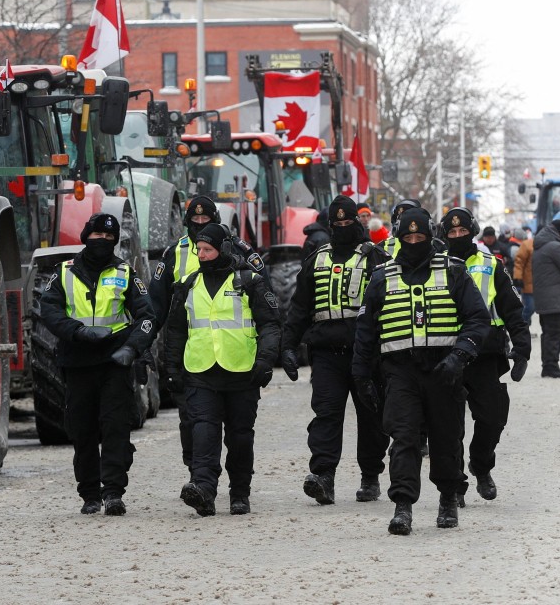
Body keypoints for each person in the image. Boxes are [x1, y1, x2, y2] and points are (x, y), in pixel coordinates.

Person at [352, 207, 491, 535]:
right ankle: (403, 505)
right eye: (408, 237)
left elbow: (477, 318)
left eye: (420, 237)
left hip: (445, 370)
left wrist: (460, 356)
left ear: (431, 237)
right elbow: (365, 332)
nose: (414, 242)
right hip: (400, 372)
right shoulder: (381, 277)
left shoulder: (454, 271)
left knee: (446, 437)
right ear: (399, 238)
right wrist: (361, 376)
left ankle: (447, 498)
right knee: (404, 436)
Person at [39, 212, 156, 515]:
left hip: (114, 362)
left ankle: (114, 492)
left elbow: (146, 317)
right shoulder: (63, 273)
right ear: (85, 237)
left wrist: (131, 349)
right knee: (82, 431)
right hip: (77, 361)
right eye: (97, 236)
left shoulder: (126, 273)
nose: (102, 241)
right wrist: (77, 332)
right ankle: (90, 494)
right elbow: (49, 311)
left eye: (109, 238)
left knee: (116, 428)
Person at [164, 223, 281, 517]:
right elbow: (176, 331)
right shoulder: (187, 285)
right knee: (202, 431)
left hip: (242, 372)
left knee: (240, 437)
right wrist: (172, 369)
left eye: (208, 249)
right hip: (201, 372)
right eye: (199, 250)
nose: (202, 255)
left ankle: (240, 493)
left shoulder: (249, 282)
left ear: (223, 249)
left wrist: (265, 360)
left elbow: (270, 324)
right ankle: (203, 488)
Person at [281, 196, 389, 505]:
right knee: (326, 414)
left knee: (371, 415)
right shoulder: (316, 259)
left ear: (357, 223)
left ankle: (370, 476)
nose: (342, 228)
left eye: (347, 223)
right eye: (337, 224)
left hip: (366, 353)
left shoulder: (375, 259)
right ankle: (323, 476)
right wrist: (288, 346)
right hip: (327, 353)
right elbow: (299, 308)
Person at [439, 208, 530, 504]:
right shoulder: (434, 267)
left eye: (462, 232)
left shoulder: (492, 265)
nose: (457, 236)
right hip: (445, 354)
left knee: (492, 418)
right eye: (451, 233)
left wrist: (522, 348)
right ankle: (456, 485)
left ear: (473, 231)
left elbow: (513, 311)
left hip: (486, 355)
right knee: (449, 425)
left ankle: (481, 466)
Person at [150, 195, 221, 476]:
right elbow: (155, 307)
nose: (200, 224)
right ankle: (198, 473)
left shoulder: (238, 251)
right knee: (192, 419)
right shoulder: (173, 254)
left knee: (235, 425)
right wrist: (142, 346)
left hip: (231, 352)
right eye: (195, 220)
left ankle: (235, 484)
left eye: (206, 220)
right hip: (187, 350)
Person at [531, 219, 560, 378]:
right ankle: (551, 366)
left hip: (545, 298)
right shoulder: (555, 247)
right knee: (554, 333)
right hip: (554, 298)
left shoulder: (542, 245)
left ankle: (548, 365)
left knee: (548, 333)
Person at [513, 228, 535, 327]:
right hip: (527, 283)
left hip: (539, 283)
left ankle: (523, 326)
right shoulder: (527, 245)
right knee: (529, 307)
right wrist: (518, 277)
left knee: (532, 308)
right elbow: (519, 262)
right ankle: (519, 326)